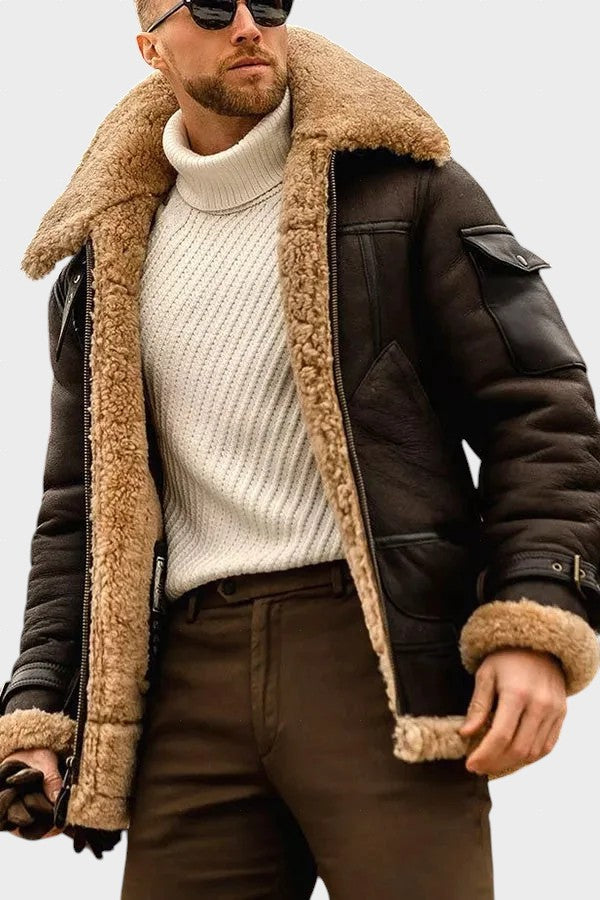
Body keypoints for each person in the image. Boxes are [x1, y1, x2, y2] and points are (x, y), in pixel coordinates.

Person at [1, 0, 599, 895]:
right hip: (187, 685)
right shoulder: (104, 257)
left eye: (270, 1)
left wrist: (537, 618)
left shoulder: (405, 187)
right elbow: (78, 510)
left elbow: (541, 414)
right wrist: (41, 711)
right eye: (212, 6)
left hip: (377, 657)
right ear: (150, 46)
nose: (248, 24)